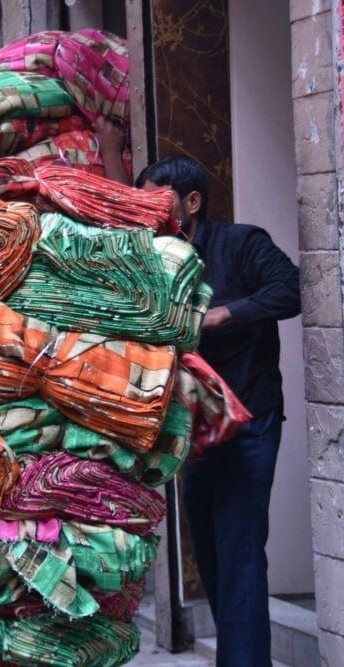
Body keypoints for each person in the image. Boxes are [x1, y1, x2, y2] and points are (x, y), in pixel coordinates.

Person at [135, 156, 301, 667]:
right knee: (208, 550)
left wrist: (225, 313)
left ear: (191, 202)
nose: (148, 213)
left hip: (250, 422)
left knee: (240, 550)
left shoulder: (242, 243)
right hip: (197, 431)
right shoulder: (155, 260)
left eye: (156, 201)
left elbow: (292, 288)